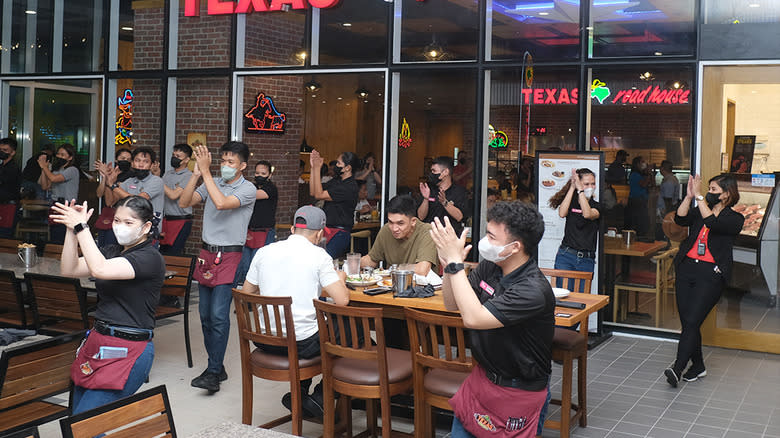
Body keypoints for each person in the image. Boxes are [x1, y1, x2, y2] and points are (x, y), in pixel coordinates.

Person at [429, 202, 553, 438]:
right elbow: (452, 303)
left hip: (517, 390)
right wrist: (448, 267)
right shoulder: (491, 266)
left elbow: (474, 318)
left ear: (514, 246)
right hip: (481, 380)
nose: (484, 241)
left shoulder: (532, 290)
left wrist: (457, 265)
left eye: (491, 236)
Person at [51, 195, 165, 414]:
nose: (120, 227)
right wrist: (71, 231)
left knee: (87, 423)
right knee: (77, 420)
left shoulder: (150, 258)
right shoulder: (111, 251)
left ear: (146, 227)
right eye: (117, 221)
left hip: (129, 348)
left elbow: (100, 270)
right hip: (97, 342)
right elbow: (69, 269)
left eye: (129, 223)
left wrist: (82, 226)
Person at [242, 205, 350, 419]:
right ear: (320, 234)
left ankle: (300, 394)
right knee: (350, 331)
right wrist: (341, 279)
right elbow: (342, 301)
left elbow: (247, 294)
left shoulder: (264, 251)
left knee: (313, 329)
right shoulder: (319, 256)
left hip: (263, 340)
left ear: (292, 229)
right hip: (300, 343)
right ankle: (321, 397)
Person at [179, 142, 256, 393]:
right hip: (206, 253)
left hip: (230, 254)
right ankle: (217, 366)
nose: (225, 165)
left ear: (243, 165)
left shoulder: (248, 189)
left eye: (231, 162)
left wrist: (208, 173)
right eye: (222, 161)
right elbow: (184, 202)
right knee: (204, 315)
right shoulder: (213, 182)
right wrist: (196, 174)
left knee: (219, 315)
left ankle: (213, 371)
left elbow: (222, 203)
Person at [664, 174, 743, 388]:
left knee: (692, 321)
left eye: (714, 189)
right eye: (709, 188)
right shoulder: (700, 210)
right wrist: (690, 197)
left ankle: (677, 368)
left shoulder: (735, 219)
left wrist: (699, 197)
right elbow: (680, 219)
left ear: (727, 194)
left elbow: (713, 223)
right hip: (687, 268)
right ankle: (698, 365)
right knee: (689, 321)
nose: (710, 192)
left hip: (711, 274)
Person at [359, 194, 438, 276]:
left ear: (413, 221)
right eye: (390, 222)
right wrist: (353, 263)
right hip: (391, 285)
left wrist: (393, 269)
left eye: (400, 223)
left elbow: (422, 270)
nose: (394, 228)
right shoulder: (386, 230)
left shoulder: (427, 231)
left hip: (422, 287)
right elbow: (372, 260)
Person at [547, 169, 600, 287]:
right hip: (566, 256)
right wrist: (572, 187)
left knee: (582, 299)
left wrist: (580, 190)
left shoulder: (597, 206)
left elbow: (587, 214)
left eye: (593, 183)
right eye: (586, 184)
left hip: (586, 259)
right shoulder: (572, 202)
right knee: (563, 297)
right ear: (579, 184)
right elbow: (562, 213)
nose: (590, 187)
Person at [233, 160, 278, 288]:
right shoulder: (250, 187)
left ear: (269, 175)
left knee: (257, 266)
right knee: (244, 266)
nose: (259, 176)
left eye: (263, 173)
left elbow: (253, 195)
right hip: (248, 231)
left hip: (264, 232)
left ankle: (257, 297)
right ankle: (245, 299)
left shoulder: (271, 189)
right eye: (257, 172)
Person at [103, 147, 165, 238]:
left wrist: (114, 186)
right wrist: (108, 182)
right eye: (137, 160)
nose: (141, 164)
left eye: (145, 162)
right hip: (129, 232)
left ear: (152, 165)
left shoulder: (157, 181)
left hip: (148, 232)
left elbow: (137, 201)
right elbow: (110, 202)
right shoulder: (129, 181)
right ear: (132, 163)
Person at [309, 150, 359, 258]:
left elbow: (319, 195)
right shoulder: (337, 181)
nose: (336, 165)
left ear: (347, 168)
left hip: (339, 232)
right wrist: (313, 168)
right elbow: (313, 192)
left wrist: (318, 168)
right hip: (327, 229)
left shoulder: (349, 186)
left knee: (323, 260)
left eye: (338, 163)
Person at [417, 156, 470, 237]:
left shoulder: (459, 192)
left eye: (434, 171)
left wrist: (444, 202)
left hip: (450, 239)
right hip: (429, 237)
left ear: (445, 172)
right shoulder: (428, 189)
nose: (431, 174)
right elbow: (421, 216)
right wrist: (425, 198)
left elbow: (459, 217)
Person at [39, 144, 80, 244]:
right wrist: (43, 169)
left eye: (63, 154)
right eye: (58, 154)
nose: (59, 157)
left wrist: (45, 167)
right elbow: (45, 186)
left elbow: (54, 179)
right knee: (54, 234)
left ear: (70, 157)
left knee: (63, 235)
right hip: (55, 205)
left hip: (67, 206)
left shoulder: (72, 170)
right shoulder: (56, 170)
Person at [95, 148, 134, 247]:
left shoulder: (130, 177)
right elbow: (99, 193)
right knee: (101, 246)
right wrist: (105, 177)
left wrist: (110, 182)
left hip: (120, 217)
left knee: (110, 248)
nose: (125, 161)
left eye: (129, 160)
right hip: (106, 216)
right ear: (116, 160)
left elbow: (110, 202)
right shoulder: (113, 173)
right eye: (123, 158)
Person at [160, 144, 194, 255]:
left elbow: (174, 195)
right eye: (173, 155)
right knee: (162, 253)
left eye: (178, 156)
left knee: (174, 253)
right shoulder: (168, 173)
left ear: (187, 160)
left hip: (181, 220)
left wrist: (158, 181)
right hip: (166, 220)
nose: (174, 158)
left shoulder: (189, 176)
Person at [626, 156, 654, 237]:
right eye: (642, 162)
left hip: (642, 201)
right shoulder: (634, 175)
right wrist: (648, 173)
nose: (644, 164)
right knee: (638, 222)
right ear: (637, 164)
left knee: (643, 222)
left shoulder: (642, 175)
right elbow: (643, 184)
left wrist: (650, 174)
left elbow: (652, 185)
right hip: (636, 201)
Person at [0, 138, 21, 238]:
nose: (2, 152)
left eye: (5, 150)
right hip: (2, 205)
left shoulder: (13, 168)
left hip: (9, 206)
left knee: (5, 235)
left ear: (12, 153)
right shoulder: (2, 166)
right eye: (0, 150)